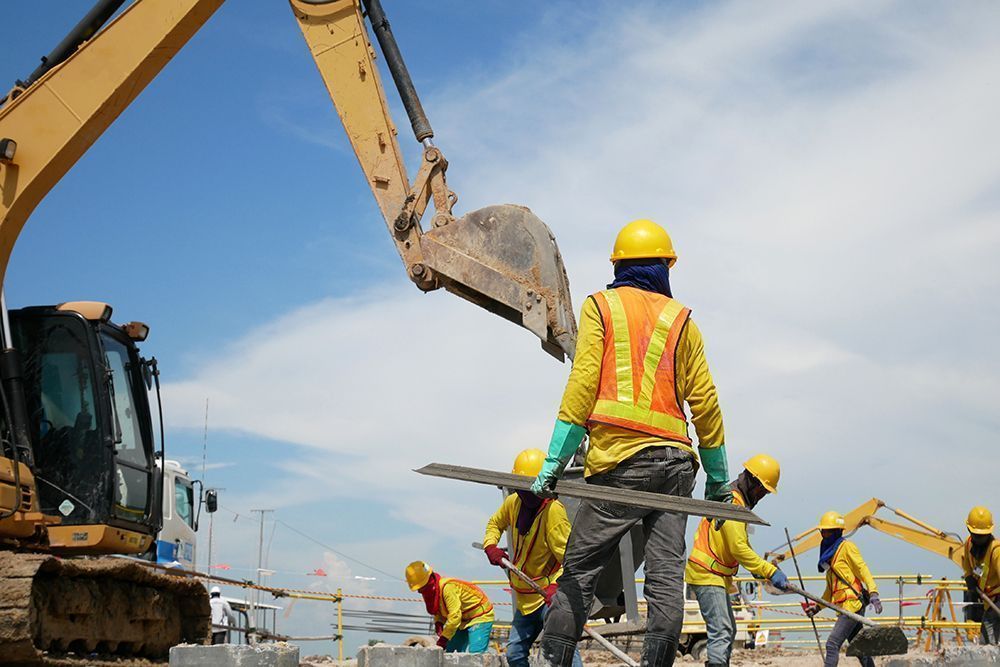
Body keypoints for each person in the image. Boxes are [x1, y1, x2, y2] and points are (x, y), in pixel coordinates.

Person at [530, 219, 732, 666]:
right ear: (665, 266)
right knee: (665, 576)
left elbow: (581, 389)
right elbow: (707, 404)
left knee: (579, 572)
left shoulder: (600, 308)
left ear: (618, 265)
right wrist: (719, 479)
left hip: (619, 466)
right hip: (677, 467)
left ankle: (555, 661)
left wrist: (553, 462)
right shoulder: (682, 322)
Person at [684, 454, 789, 666]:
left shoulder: (736, 502)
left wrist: (759, 571)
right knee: (722, 630)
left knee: (727, 628)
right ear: (753, 482)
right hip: (707, 574)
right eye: (762, 491)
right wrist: (770, 571)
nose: (762, 496)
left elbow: (742, 545)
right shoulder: (732, 503)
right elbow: (738, 548)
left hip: (716, 577)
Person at [483, 449, 582, 667]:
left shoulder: (553, 512)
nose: (525, 494)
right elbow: (495, 523)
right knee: (515, 654)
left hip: (548, 598)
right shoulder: (513, 503)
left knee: (563, 651)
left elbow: (571, 560)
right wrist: (490, 544)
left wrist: (557, 587)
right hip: (524, 598)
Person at [802, 512, 882, 666]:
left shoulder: (846, 547)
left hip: (852, 605)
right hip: (844, 608)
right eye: (822, 531)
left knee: (832, 644)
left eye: (827, 531)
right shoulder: (830, 556)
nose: (823, 535)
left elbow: (862, 569)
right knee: (860, 648)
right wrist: (816, 608)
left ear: (837, 531)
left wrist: (873, 592)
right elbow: (830, 591)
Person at [405, 561, 495, 653]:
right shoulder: (432, 591)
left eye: (420, 587)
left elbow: (455, 616)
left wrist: (444, 639)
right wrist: (438, 622)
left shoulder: (447, 588)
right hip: (462, 619)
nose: (419, 591)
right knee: (451, 652)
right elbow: (439, 608)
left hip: (480, 615)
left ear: (427, 581)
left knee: (476, 655)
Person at [962, 506, 1000, 644]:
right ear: (969, 531)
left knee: (988, 639)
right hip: (987, 601)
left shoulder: (996, 551)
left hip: (997, 601)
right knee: (988, 640)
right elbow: (966, 564)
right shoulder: (968, 545)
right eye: (976, 535)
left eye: (982, 536)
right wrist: (968, 578)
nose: (979, 539)